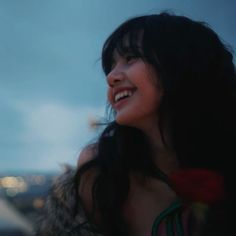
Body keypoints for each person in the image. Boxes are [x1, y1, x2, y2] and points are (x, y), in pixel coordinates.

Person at [36, 12, 236, 236]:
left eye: (130, 58)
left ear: (181, 64)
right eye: (111, 65)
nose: (111, 76)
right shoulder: (101, 172)